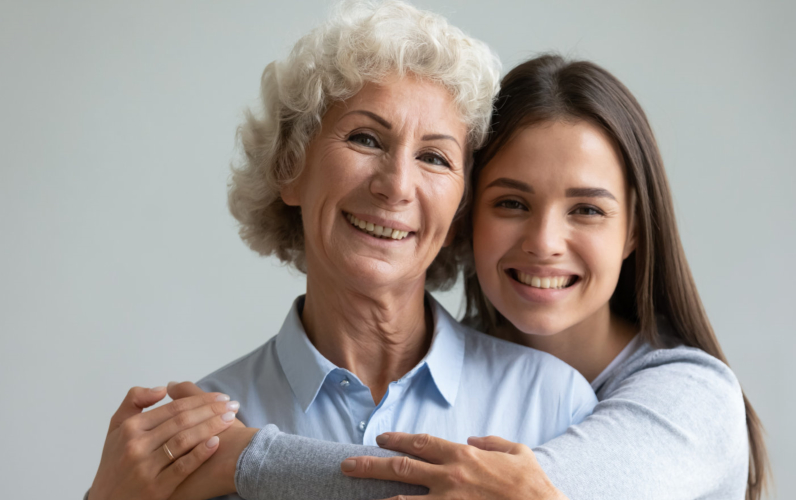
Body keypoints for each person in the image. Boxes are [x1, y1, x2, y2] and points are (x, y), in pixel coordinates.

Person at [167, 55, 772, 500]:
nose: (543, 242)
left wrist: (249, 457)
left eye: (586, 209)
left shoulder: (691, 399)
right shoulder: (215, 402)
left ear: (635, 231)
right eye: (510, 203)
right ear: (465, 215)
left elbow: (502, 492)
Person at [83, 2, 598, 500]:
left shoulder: (552, 402)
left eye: (434, 157)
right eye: (366, 139)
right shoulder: (195, 437)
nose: (396, 186)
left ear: (460, 205)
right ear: (289, 166)